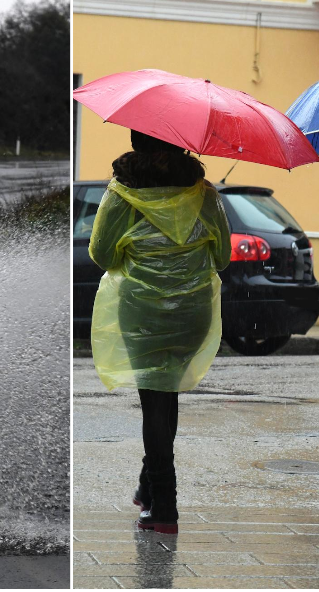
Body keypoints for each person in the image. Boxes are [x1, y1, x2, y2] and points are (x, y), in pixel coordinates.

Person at [88, 130, 231, 534]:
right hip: (192, 307)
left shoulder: (122, 191)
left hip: (143, 308)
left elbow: (101, 253)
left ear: (135, 140)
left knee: (154, 401)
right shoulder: (202, 192)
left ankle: (164, 507)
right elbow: (221, 257)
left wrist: (132, 250)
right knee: (166, 394)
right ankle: (149, 488)